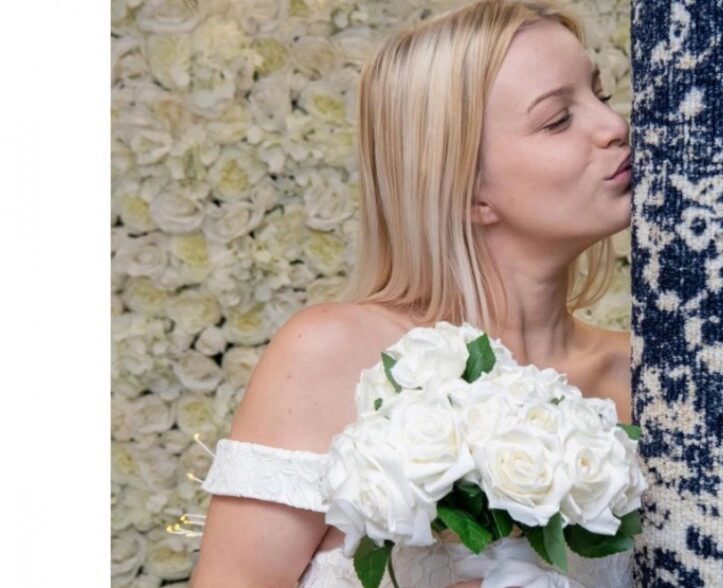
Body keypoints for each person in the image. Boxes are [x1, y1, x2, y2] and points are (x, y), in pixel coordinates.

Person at [189, 0, 635, 586]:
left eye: (600, 94)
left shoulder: (645, 376)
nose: (615, 125)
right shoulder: (329, 355)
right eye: (557, 120)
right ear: (467, 189)